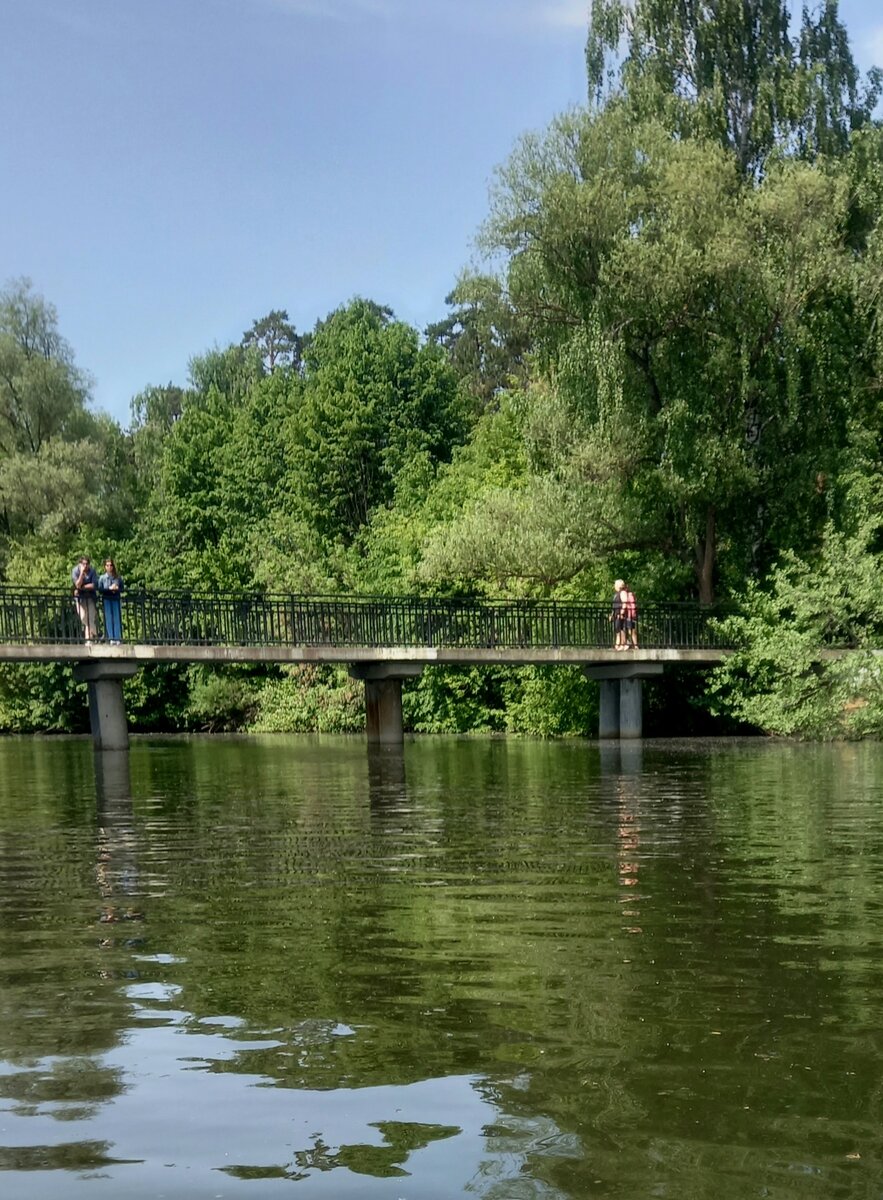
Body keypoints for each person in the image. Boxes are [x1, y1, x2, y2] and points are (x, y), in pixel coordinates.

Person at [72, 555, 99, 643]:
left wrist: (82, 587)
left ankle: (89, 639)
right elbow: (77, 584)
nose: (85, 566)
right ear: (80, 564)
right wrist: (81, 574)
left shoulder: (92, 571)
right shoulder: (75, 571)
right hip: (80, 598)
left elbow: (94, 585)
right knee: (83, 617)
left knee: (90, 618)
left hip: (90, 597)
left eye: (87, 564)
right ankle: (95, 632)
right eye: (83, 564)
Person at [98, 557, 125, 644]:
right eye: (107, 565)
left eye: (111, 565)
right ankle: (111, 637)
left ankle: (117, 638)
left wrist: (117, 588)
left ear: (113, 566)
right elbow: (100, 589)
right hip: (107, 599)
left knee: (117, 617)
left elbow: (122, 588)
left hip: (115, 598)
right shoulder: (102, 578)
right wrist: (108, 589)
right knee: (108, 618)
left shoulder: (118, 577)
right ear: (105, 567)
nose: (109, 567)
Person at [610, 577, 626, 650]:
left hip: (620, 614)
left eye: (615, 585)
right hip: (616, 613)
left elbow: (624, 603)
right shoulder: (616, 594)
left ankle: (622, 644)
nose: (614, 586)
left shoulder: (622, 592)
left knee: (620, 629)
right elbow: (614, 606)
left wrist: (622, 613)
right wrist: (612, 615)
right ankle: (618, 644)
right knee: (617, 629)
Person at [622, 582, 638, 649]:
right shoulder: (625, 595)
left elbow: (633, 606)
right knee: (625, 630)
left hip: (629, 615)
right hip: (626, 616)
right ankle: (628, 644)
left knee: (631, 631)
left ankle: (635, 645)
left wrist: (632, 614)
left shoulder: (629, 595)